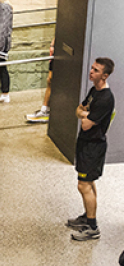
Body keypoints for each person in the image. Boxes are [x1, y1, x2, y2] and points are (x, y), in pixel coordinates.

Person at [65, 58, 116, 241]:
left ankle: (92, 227)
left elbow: (86, 124)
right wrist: (86, 114)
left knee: (84, 184)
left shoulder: (105, 99)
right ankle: (87, 216)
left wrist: (85, 115)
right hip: (85, 143)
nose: (91, 72)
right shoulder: (94, 90)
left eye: (96, 70)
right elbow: (79, 109)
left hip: (93, 147)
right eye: (92, 68)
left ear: (105, 75)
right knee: (89, 182)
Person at [26, 37, 55, 123]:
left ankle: (46, 110)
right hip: (55, 51)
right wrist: (52, 44)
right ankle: (45, 110)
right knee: (50, 80)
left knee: (51, 80)